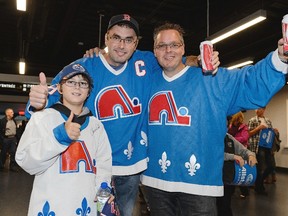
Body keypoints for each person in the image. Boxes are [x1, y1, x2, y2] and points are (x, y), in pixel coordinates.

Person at [25, 14, 220, 216]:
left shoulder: (146, 61)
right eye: (116, 37)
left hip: (130, 167)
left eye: (128, 40)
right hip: (93, 165)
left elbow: (175, 59)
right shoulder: (86, 65)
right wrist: (37, 101)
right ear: (106, 38)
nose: (121, 45)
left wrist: (198, 60)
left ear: (136, 44)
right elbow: (47, 96)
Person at [140, 22, 288, 215]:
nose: (168, 50)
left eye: (174, 45)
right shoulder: (145, 82)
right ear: (154, 50)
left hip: (199, 185)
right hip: (154, 183)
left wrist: (279, 59)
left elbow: (249, 82)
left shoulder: (211, 78)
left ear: (183, 47)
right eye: (161, 46)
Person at [16, 63, 113, 215]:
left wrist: (103, 189)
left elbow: (104, 163)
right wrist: (59, 137)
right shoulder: (42, 118)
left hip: (86, 206)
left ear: (89, 92)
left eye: (83, 83)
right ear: (60, 88)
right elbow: (25, 161)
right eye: (71, 82)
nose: (77, 87)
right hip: (51, 206)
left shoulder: (96, 126)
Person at [217, 133, 257, 216]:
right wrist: (232, 156)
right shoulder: (209, 135)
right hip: (212, 181)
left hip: (227, 180)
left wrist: (251, 155)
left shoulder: (228, 137)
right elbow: (212, 154)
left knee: (225, 206)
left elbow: (244, 150)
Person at [248, 107, 279, 195]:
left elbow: (270, 134)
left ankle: (259, 183)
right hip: (258, 147)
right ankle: (259, 187)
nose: (258, 110)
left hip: (268, 147)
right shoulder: (252, 120)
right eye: (256, 109)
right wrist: (258, 128)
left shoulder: (268, 121)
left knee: (272, 166)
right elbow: (248, 134)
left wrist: (274, 131)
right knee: (260, 169)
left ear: (264, 109)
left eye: (260, 109)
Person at [228, 111, 250, 198]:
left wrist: (232, 139)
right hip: (231, 151)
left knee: (241, 171)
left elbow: (245, 138)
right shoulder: (230, 126)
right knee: (233, 171)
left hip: (240, 151)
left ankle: (245, 192)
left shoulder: (243, 126)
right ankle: (231, 190)